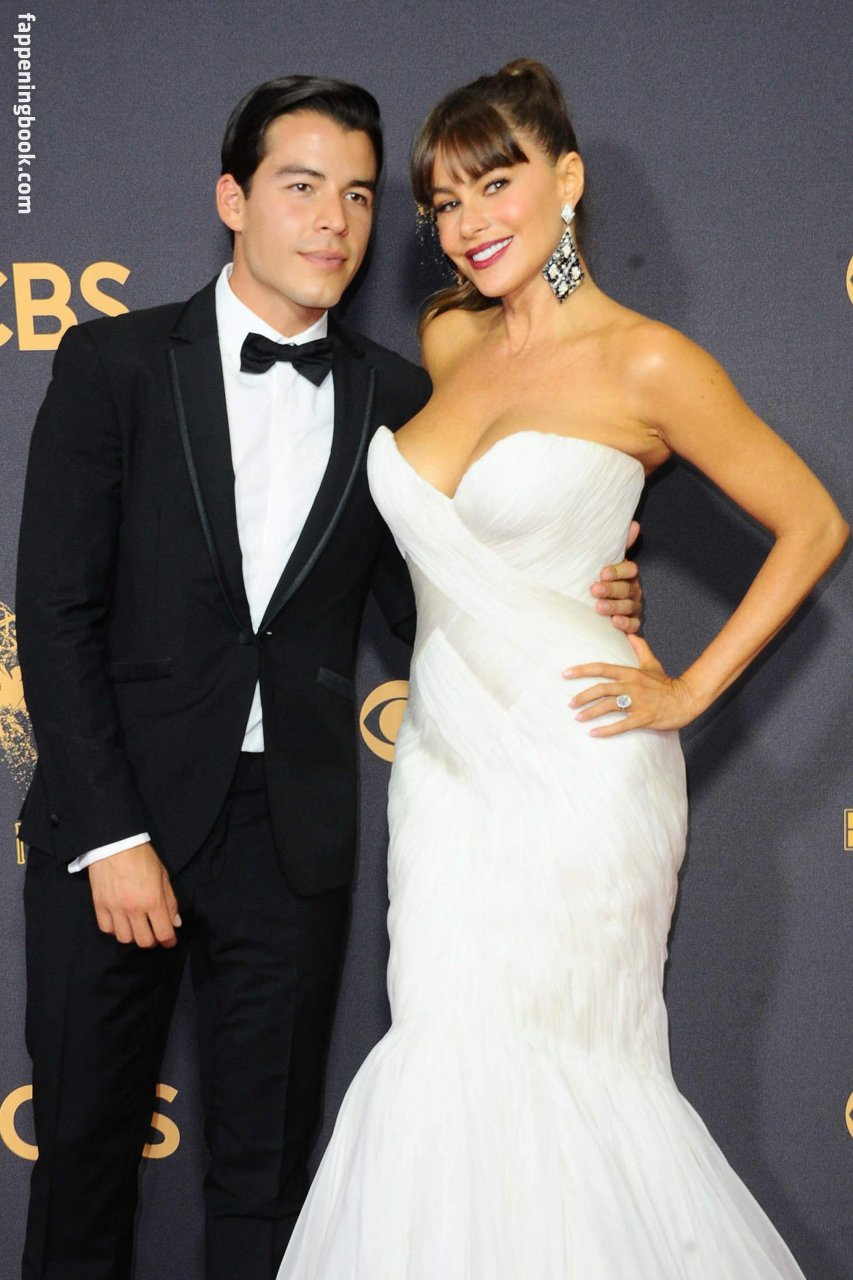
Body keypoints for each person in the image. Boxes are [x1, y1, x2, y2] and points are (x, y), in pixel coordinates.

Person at [15, 73, 641, 1280]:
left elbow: (437, 603)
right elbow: (55, 610)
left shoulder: (399, 397)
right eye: (301, 187)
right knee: (83, 1164)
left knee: (268, 1180)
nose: (333, 221)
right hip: (117, 820)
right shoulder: (113, 362)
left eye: (357, 196)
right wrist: (112, 835)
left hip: (292, 837)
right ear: (232, 200)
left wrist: (581, 591)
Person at [276, 60, 848, 1279]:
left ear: (568, 180)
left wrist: (688, 689)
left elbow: (812, 521)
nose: (468, 221)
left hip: (581, 758)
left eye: (496, 183)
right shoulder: (448, 335)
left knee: (560, 1066)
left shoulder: (648, 362)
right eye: (444, 200)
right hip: (445, 761)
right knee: (442, 1053)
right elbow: (471, 540)